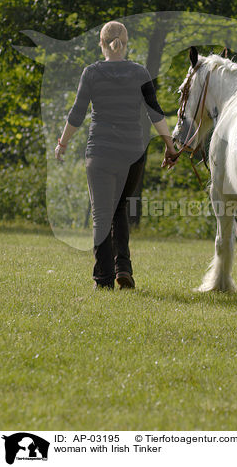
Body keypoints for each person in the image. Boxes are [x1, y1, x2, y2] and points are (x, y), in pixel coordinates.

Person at [54, 21, 179, 290]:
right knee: (120, 209)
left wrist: (62, 144)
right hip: (132, 153)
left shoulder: (92, 73)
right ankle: (123, 268)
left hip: (100, 151)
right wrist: (170, 145)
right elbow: (155, 112)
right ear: (125, 42)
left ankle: (104, 279)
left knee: (101, 214)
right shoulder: (140, 72)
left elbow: (77, 113)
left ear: (102, 43)